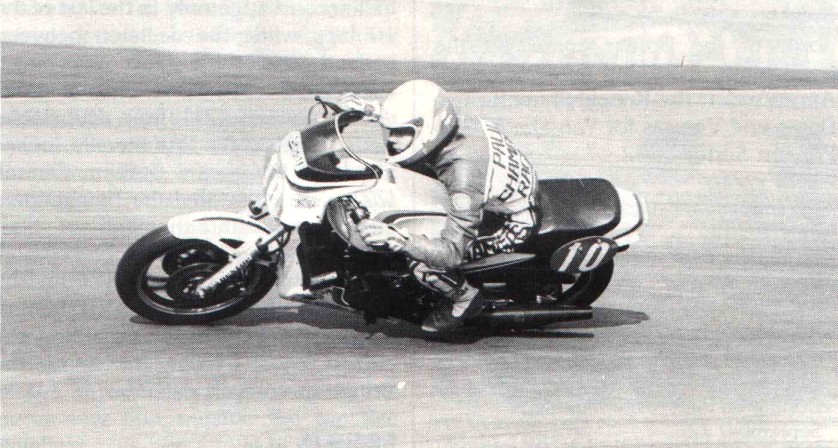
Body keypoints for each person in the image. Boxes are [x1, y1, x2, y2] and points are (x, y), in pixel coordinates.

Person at [339, 80, 538, 333]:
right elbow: (421, 118)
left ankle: (465, 298)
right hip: (492, 192)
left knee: (420, 258)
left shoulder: (462, 175)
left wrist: (398, 239)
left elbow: (451, 252)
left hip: (511, 222)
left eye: (400, 132)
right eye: (391, 131)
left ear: (429, 130)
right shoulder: (451, 123)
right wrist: (371, 110)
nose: (392, 140)